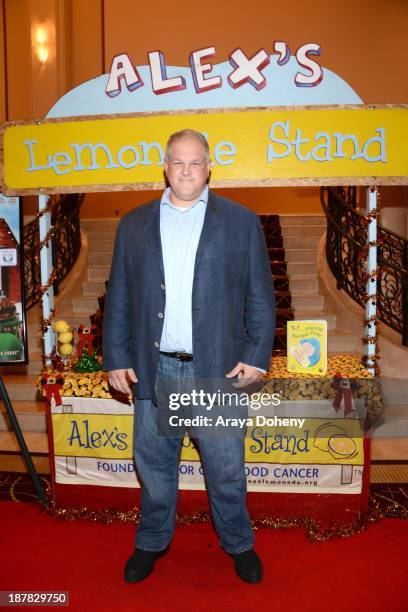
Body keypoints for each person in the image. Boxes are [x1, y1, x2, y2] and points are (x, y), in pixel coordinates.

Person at [103, 129, 275, 584]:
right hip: (155, 367)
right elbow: (119, 295)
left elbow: (261, 296)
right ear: (165, 166)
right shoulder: (134, 224)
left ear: (208, 166)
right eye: (177, 162)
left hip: (216, 371)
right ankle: (152, 541)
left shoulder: (240, 222)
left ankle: (239, 543)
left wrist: (257, 355)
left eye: (194, 162)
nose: (185, 170)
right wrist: (115, 356)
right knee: (155, 466)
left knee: (225, 468)